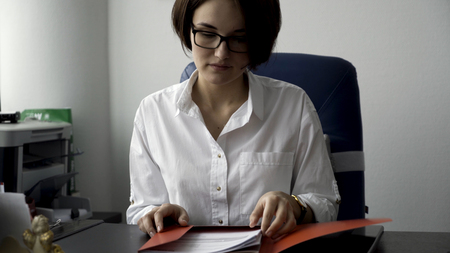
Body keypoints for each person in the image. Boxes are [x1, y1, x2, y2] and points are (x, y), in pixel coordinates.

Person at [127, 0, 340, 240]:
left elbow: (325, 203)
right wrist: (155, 215)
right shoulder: (153, 112)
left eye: (240, 38)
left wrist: (294, 205)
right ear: (187, 29)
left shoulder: (293, 105)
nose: (221, 53)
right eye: (207, 34)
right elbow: (140, 209)